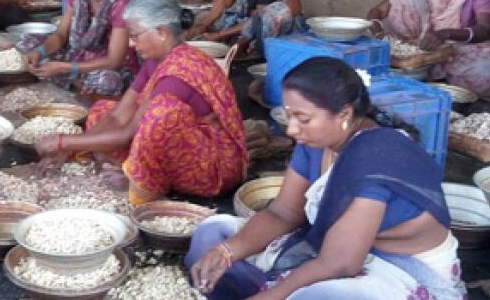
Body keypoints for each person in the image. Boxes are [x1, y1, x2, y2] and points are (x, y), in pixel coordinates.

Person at [187, 57, 465, 300]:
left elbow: (340, 263)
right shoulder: (316, 144)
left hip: (399, 267)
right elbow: (283, 213)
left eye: (303, 119)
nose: (292, 129)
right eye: (289, 115)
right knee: (212, 234)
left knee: (315, 296)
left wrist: (270, 296)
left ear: (344, 114)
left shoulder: (377, 160)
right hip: (335, 249)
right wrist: (226, 251)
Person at [35, 0, 247, 204]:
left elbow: (127, 134)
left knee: (160, 115)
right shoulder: (157, 60)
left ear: (161, 32)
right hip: (180, 144)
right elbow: (118, 116)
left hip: (211, 166)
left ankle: (143, 183)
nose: (131, 44)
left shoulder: (179, 76)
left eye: (135, 36)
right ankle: (135, 169)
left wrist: (63, 142)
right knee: (101, 111)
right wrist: (71, 148)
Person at [22, 0, 138, 98]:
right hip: (78, 56)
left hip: (109, 66)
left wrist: (65, 68)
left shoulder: (121, 3)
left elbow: (114, 60)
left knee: (107, 82)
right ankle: (75, 82)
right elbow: (61, 35)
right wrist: (40, 51)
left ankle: (76, 83)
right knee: (27, 44)